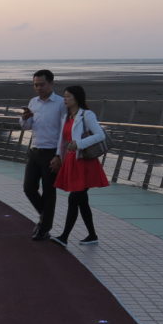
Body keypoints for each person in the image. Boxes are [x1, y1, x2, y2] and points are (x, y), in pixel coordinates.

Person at [51, 85, 108, 247]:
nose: (65, 99)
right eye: (64, 96)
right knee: (81, 201)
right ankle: (92, 235)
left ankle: (64, 237)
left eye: (68, 96)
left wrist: (79, 144)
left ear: (76, 98)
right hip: (71, 161)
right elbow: (62, 141)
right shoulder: (67, 117)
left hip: (85, 163)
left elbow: (100, 135)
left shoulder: (86, 115)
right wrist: (58, 156)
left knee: (74, 198)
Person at [19, 69, 65, 241]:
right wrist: (25, 118)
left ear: (51, 83)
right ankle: (45, 218)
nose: (38, 88)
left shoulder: (61, 103)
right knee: (28, 187)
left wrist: (59, 156)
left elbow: (64, 133)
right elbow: (26, 127)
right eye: (35, 85)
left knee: (49, 192)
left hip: (52, 152)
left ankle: (44, 227)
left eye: (42, 84)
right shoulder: (33, 102)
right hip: (35, 150)